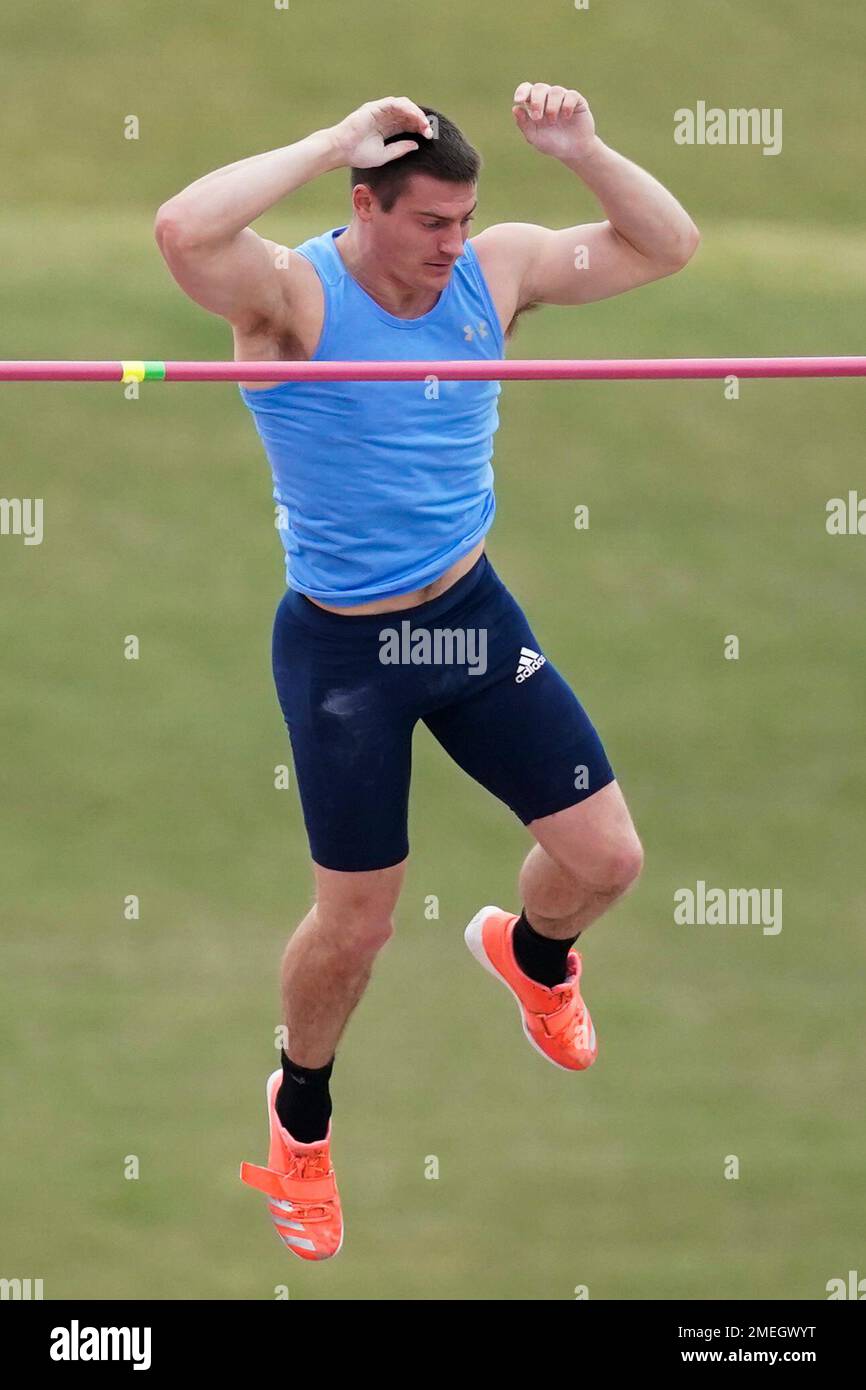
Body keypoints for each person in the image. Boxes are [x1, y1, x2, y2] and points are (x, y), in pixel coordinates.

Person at [154, 83, 699, 1261]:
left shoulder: (491, 274)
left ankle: (531, 952)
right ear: (365, 204)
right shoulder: (293, 300)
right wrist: (318, 137)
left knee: (606, 858)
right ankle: (300, 1116)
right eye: (430, 222)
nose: (453, 244)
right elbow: (182, 232)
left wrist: (584, 149)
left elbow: (666, 245)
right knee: (356, 928)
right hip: (346, 646)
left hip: (465, 617)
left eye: (465, 218)